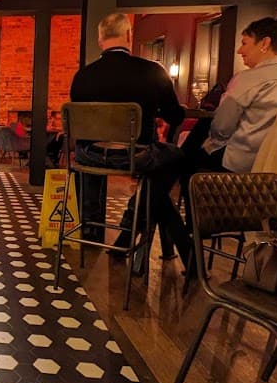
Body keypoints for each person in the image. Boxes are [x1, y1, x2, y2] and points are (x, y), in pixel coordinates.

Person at [67, 13, 188, 262]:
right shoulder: (153, 72)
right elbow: (175, 116)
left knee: (156, 175)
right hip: (135, 155)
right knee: (176, 156)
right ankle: (133, 223)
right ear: (129, 35)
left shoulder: (83, 76)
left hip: (88, 156)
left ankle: (93, 228)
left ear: (100, 40)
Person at [195, 17, 277, 173]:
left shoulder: (247, 79)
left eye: (245, 43)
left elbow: (221, 128)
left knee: (189, 158)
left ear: (265, 43)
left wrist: (211, 145)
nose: (240, 50)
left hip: (244, 164)